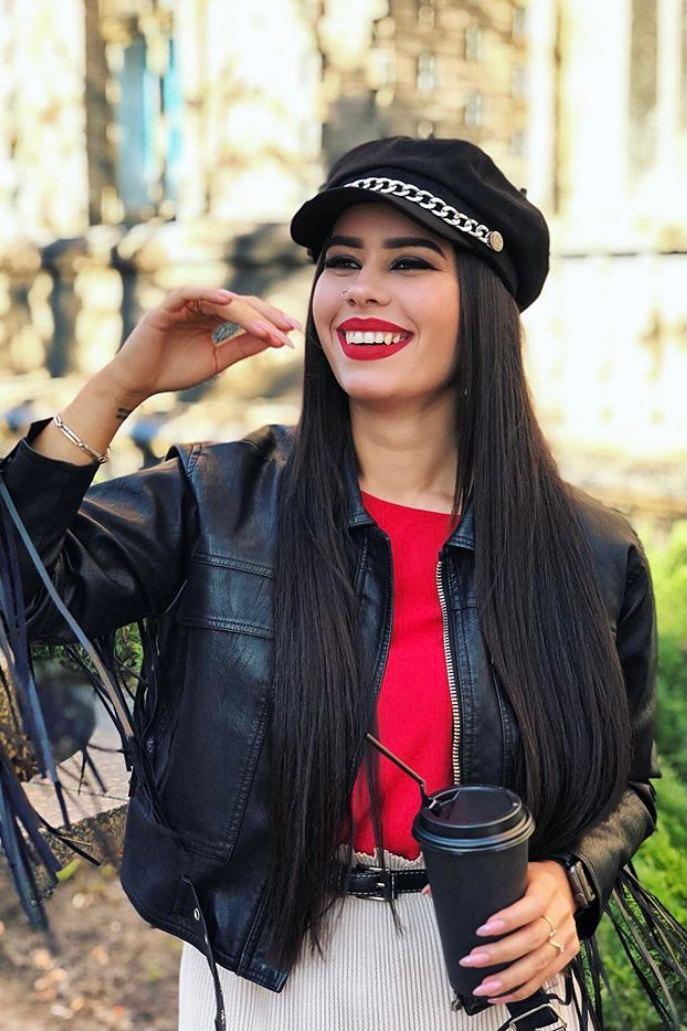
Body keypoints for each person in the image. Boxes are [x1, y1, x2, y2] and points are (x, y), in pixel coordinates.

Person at [0, 137, 662, 1031]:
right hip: (272, 974)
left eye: (409, 262)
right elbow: (19, 586)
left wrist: (568, 876)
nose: (361, 289)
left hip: (495, 972)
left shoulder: (590, 549)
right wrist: (121, 385)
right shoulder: (218, 501)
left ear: (485, 301)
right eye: (341, 261)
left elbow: (627, 783)